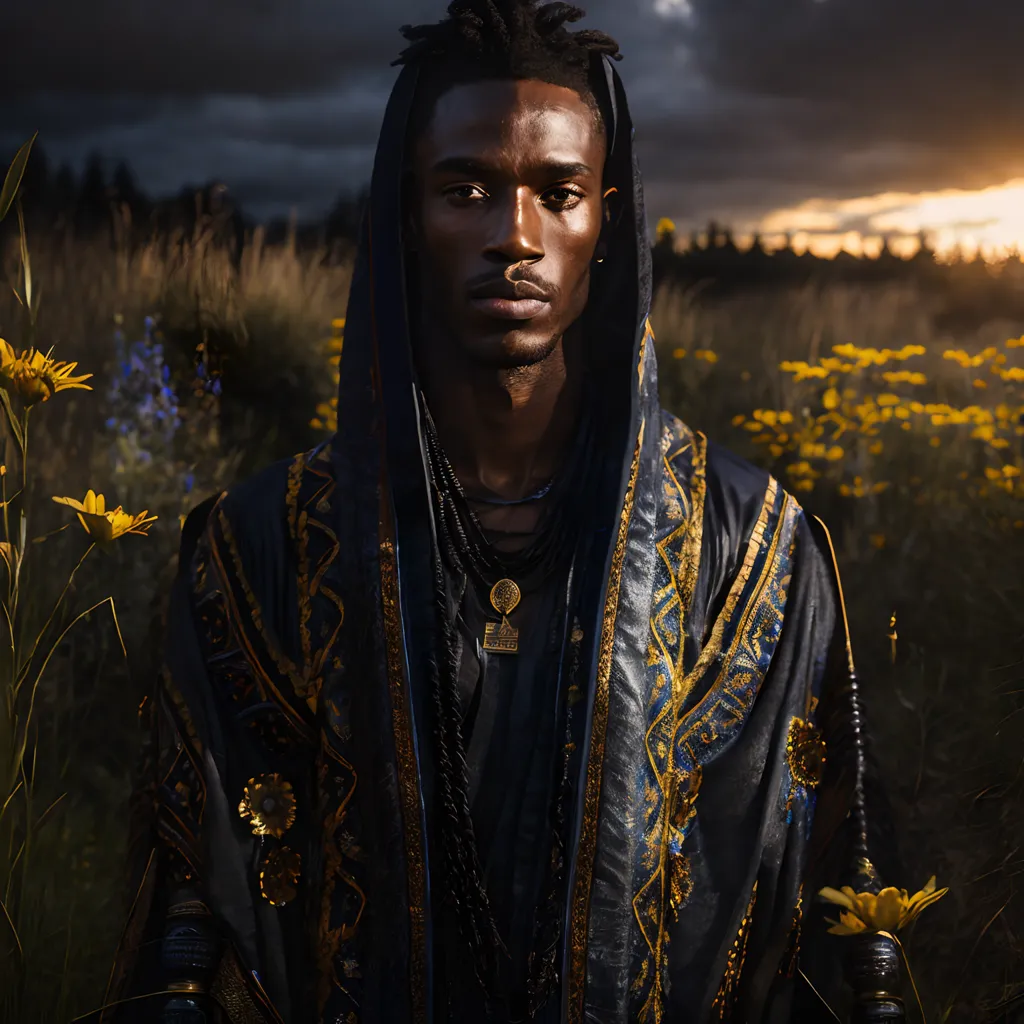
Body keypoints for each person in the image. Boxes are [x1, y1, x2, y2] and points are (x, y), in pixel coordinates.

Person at [104, 2, 879, 1021]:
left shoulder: (755, 551)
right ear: (405, 214)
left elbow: (833, 910)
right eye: (465, 190)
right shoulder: (261, 549)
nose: (514, 236)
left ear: (606, 219)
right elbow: (189, 929)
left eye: (557, 193)